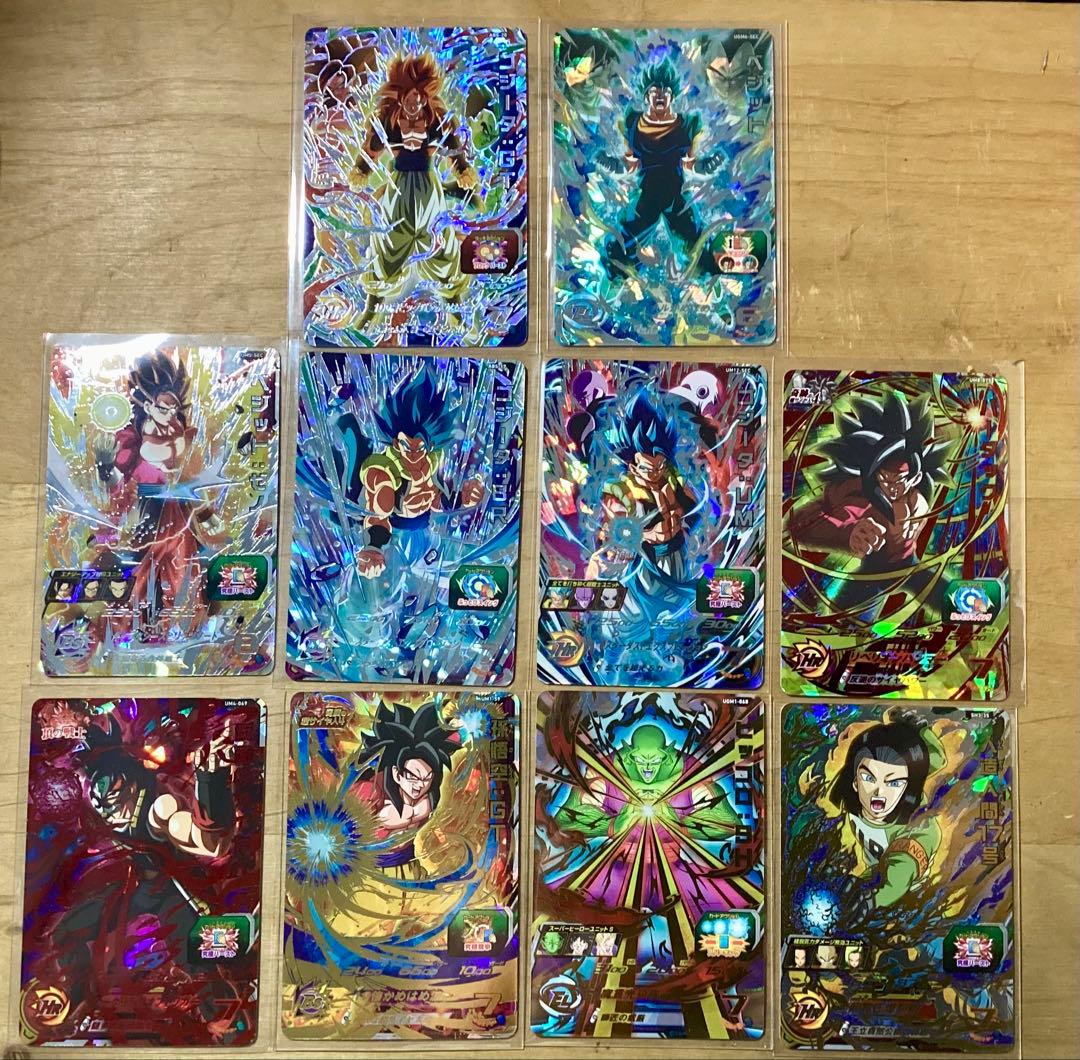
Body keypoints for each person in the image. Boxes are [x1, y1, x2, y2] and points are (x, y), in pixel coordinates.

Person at [350, 53, 477, 327]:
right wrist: (361, 170)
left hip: (428, 188)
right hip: (398, 187)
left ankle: (454, 307)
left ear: (424, 95)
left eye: (418, 96)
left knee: (441, 242)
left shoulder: (436, 118)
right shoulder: (388, 119)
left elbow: (453, 147)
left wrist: (462, 169)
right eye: (408, 96)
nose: (413, 102)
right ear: (399, 95)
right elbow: (372, 148)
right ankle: (372, 308)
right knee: (388, 244)